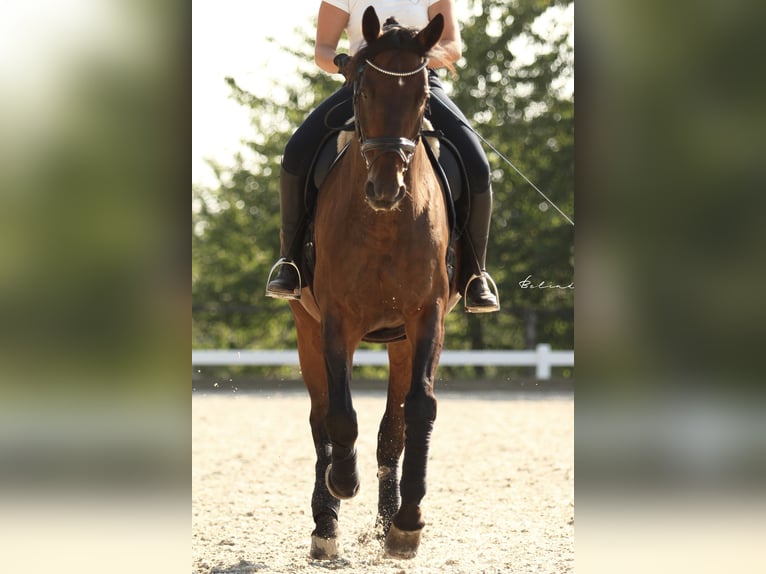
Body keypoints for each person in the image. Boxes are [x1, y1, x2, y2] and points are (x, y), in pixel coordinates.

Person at [266, 0, 499, 313]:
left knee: (478, 165)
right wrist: (344, 62)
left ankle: (474, 273)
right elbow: (322, 49)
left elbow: (452, 46)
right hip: (365, 86)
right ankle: (290, 262)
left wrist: (416, 60)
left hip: (420, 84)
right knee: (296, 153)